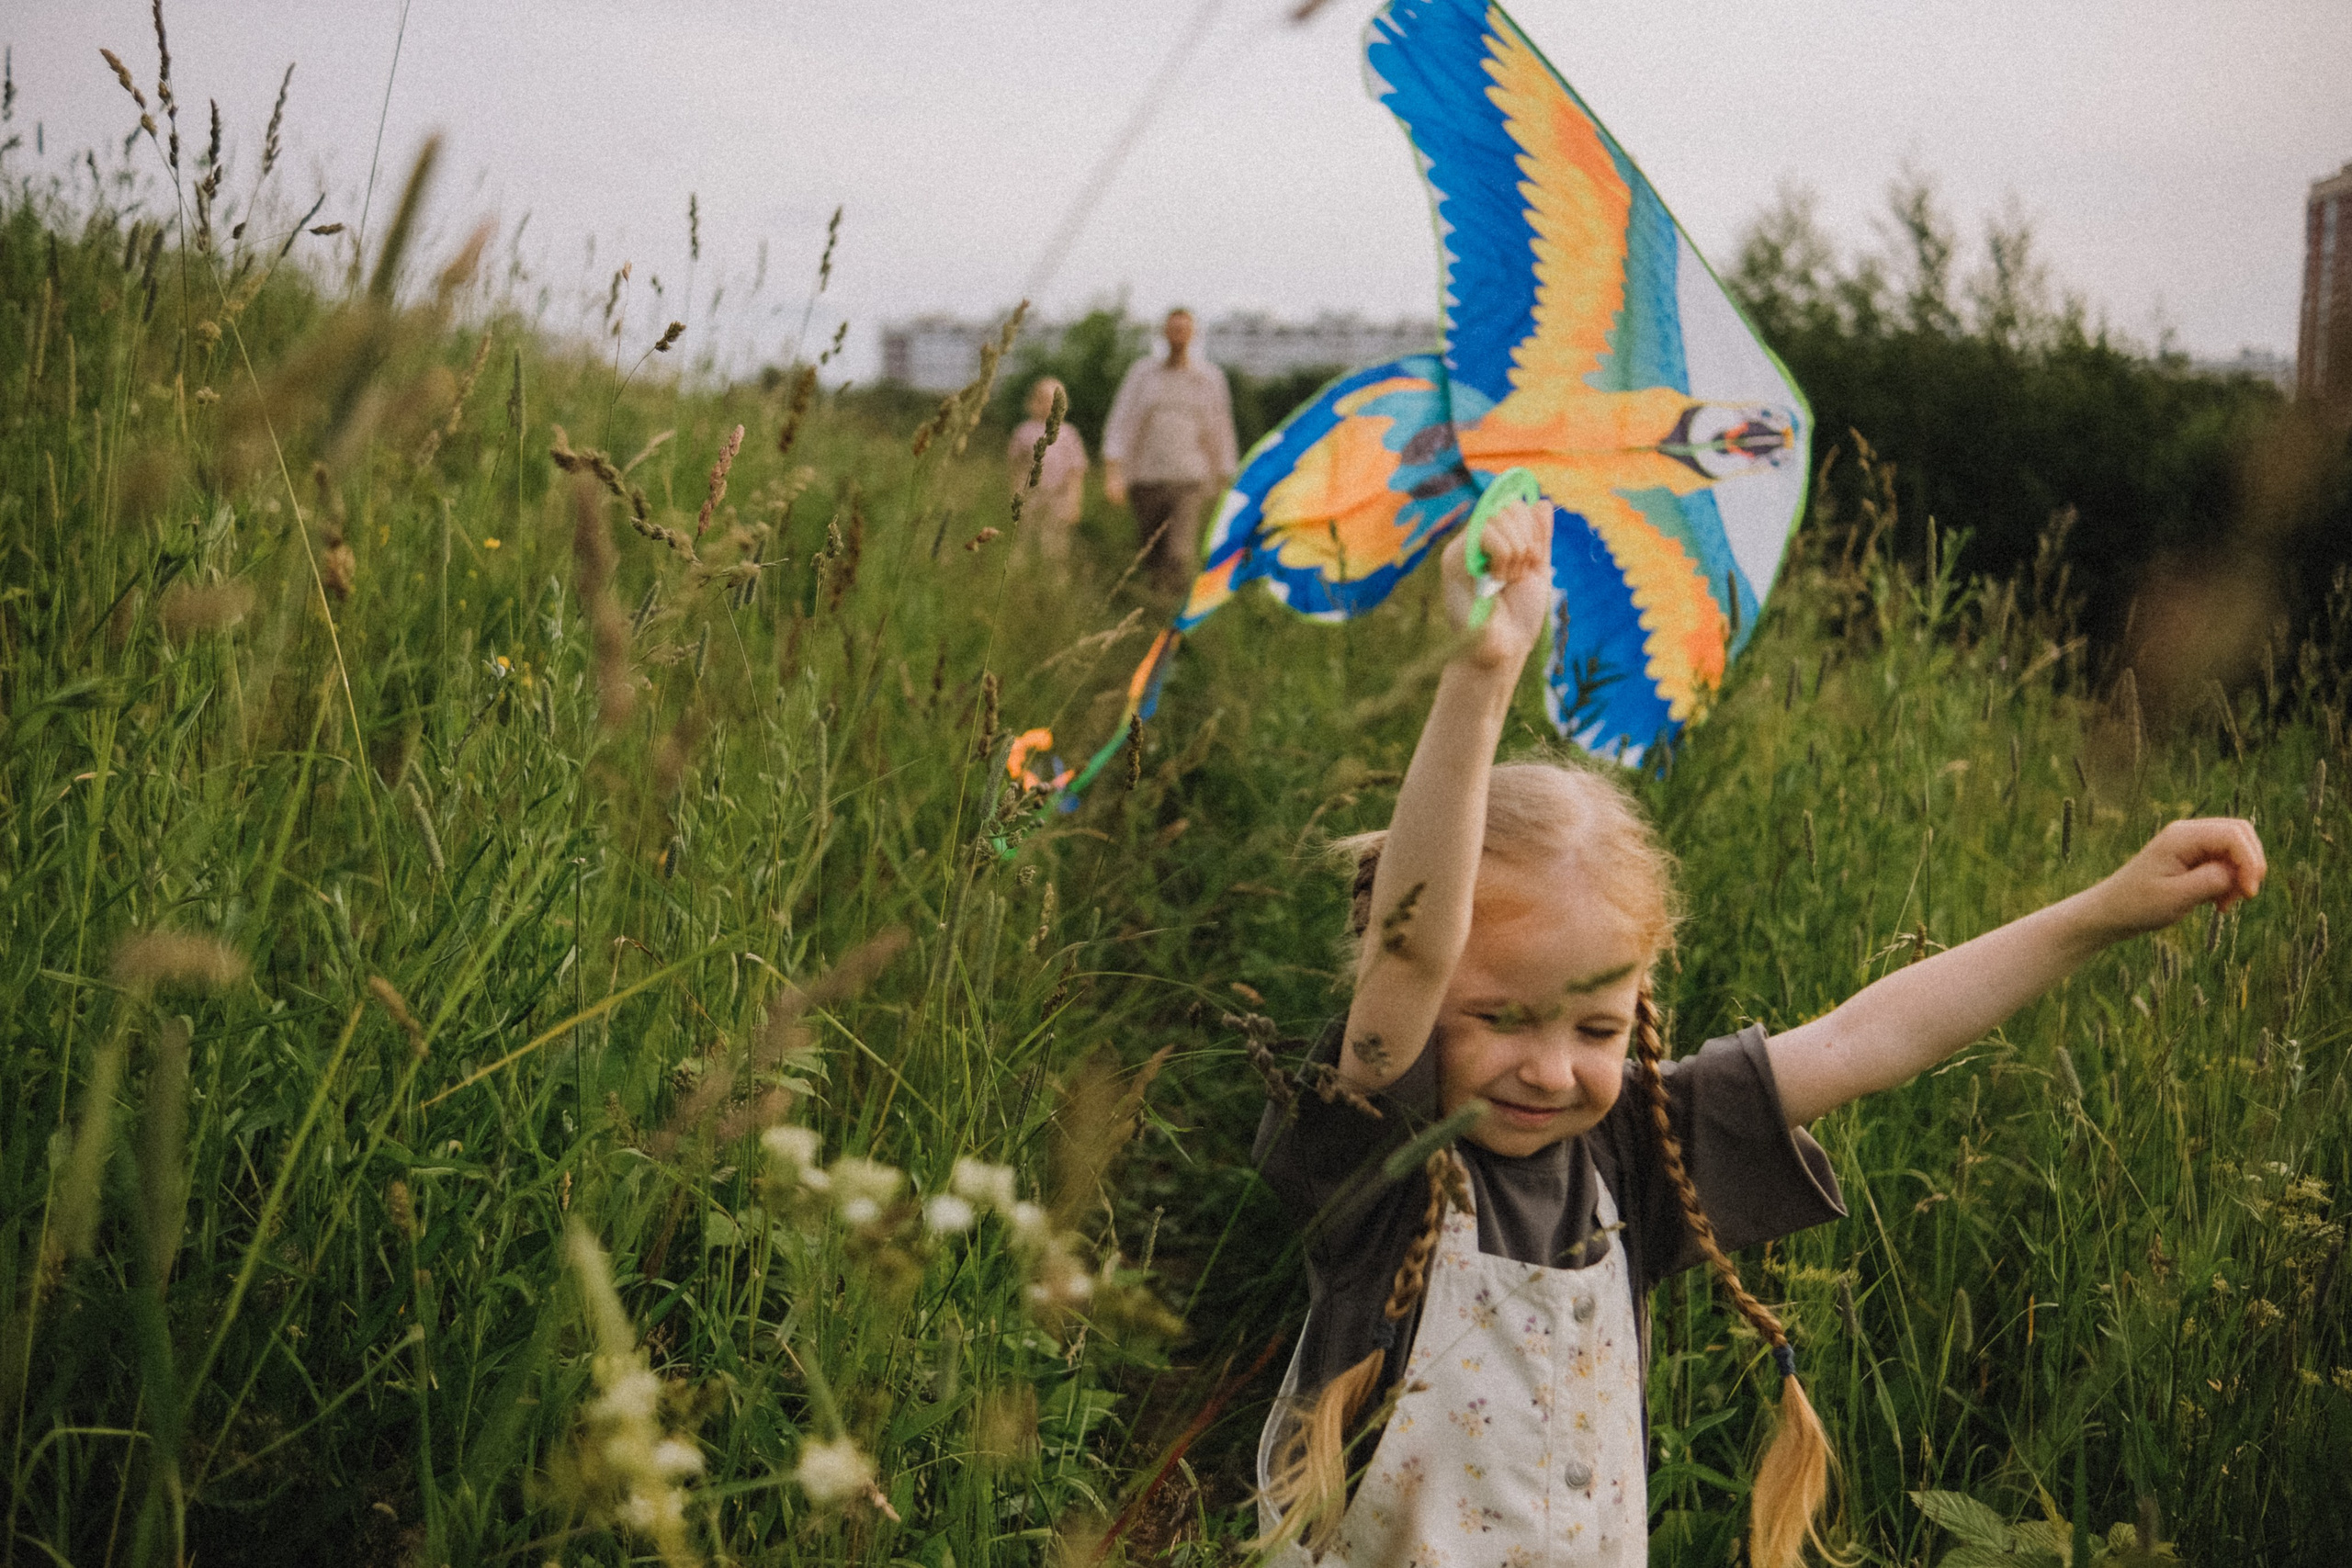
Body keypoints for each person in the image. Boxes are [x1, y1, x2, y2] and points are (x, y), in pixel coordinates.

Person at [1251, 496, 2267, 1568]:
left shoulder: (1634, 1153)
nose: (1550, 1070)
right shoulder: (1386, 1148)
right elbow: (1413, 946)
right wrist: (1483, 672)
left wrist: (2102, 910)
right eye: (1501, 1019)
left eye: (1596, 1027)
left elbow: (1865, 1040)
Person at [1101, 308, 1238, 594]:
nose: (1178, 336)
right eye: (1173, 329)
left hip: (1189, 479)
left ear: (1194, 334)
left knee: (1179, 553)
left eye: (1184, 330)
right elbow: (1122, 422)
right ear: (1164, 333)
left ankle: (1175, 608)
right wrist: (1114, 473)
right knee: (1151, 553)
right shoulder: (1142, 374)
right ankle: (1153, 606)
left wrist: (1224, 476)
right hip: (1146, 478)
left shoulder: (1209, 378)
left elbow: (1220, 430)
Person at [1006, 375, 1088, 566]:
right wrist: (1015, 494)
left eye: (1053, 401)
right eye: (1042, 400)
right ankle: (1019, 573)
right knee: (1024, 539)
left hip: (1059, 497)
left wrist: (1074, 503)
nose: (1047, 405)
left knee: (1055, 544)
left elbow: (1076, 472)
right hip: (1030, 496)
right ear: (1032, 402)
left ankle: (1054, 576)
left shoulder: (1068, 433)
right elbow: (1015, 466)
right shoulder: (1023, 431)